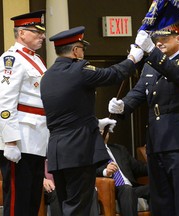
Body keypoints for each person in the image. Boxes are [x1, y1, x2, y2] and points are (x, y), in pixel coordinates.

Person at [40, 26, 143, 215]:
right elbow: (112, 75)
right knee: (80, 207)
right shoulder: (79, 69)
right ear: (75, 50)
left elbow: (68, 113)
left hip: (57, 151)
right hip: (78, 150)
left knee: (66, 205)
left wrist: (95, 123)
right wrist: (132, 59)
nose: (83, 52)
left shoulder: (47, 76)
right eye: (82, 48)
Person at [108, 21, 179, 216]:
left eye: (164, 38)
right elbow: (138, 93)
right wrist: (122, 106)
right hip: (156, 141)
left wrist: (151, 51)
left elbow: (178, 74)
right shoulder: (150, 67)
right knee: (160, 201)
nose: (159, 43)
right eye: (156, 40)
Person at [0, 10, 49, 216]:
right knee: (17, 203)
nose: (42, 36)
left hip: (38, 138)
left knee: (32, 200)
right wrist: (10, 141)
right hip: (20, 138)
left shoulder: (36, 59)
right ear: (21, 33)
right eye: (36, 32)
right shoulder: (11, 59)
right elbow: (5, 102)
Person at [96, 132, 149, 216]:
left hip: (131, 188)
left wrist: (155, 162)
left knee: (154, 188)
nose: (103, 132)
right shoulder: (90, 152)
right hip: (112, 190)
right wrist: (105, 171)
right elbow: (89, 172)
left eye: (105, 129)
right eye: (100, 129)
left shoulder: (119, 149)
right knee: (126, 189)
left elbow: (138, 168)